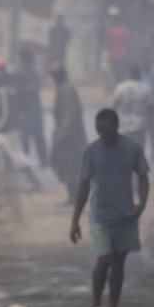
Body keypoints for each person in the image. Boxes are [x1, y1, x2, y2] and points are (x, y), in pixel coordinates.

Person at [69, 108, 149, 307]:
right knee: (104, 259)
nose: (101, 135)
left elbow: (143, 177)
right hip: (100, 216)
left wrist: (141, 205)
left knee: (119, 263)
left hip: (125, 215)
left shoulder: (132, 148)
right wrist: (75, 220)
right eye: (98, 131)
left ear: (116, 127)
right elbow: (84, 185)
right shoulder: (92, 151)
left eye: (105, 130)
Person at [49, 64, 86, 204]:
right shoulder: (63, 89)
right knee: (67, 166)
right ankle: (73, 195)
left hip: (70, 138)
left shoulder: (66, 90)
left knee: (70, 167)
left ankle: (74, 196)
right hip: (66, 136)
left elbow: (71, 114)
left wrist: (62, 133)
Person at [15, 49, 48, 167]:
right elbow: (33, 88)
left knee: (30, 136)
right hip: (31, 108)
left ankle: (36, 161)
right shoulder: (28, 73)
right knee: (33, 136)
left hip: (29, 108)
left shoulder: (25, 73)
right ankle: (39, 161)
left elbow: (20, 91)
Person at [112, 66, 152, 149]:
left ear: (128, 74)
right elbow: (151, 108)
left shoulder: (120, 87)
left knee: (124, 152)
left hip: (123, 126)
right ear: (140, 75)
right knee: (139, 152)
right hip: (140, 126)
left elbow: (114, 106)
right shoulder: (146, 88)